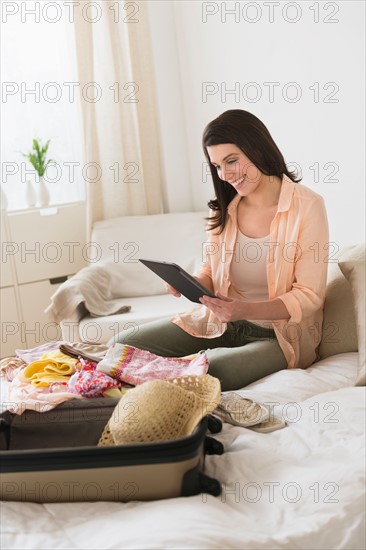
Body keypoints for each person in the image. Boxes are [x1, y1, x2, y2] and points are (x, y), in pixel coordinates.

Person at [111, 109, 329, 390]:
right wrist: (190, 284)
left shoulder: (308, 206)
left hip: (278, 336)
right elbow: (211, 271)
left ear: (257, 149)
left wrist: (245, 309)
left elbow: (309, 296)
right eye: (216, 166)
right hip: (220, 324)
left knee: (212, 371)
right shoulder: (228, 208)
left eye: (232, 160)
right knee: (122, 347)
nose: (225, 174)